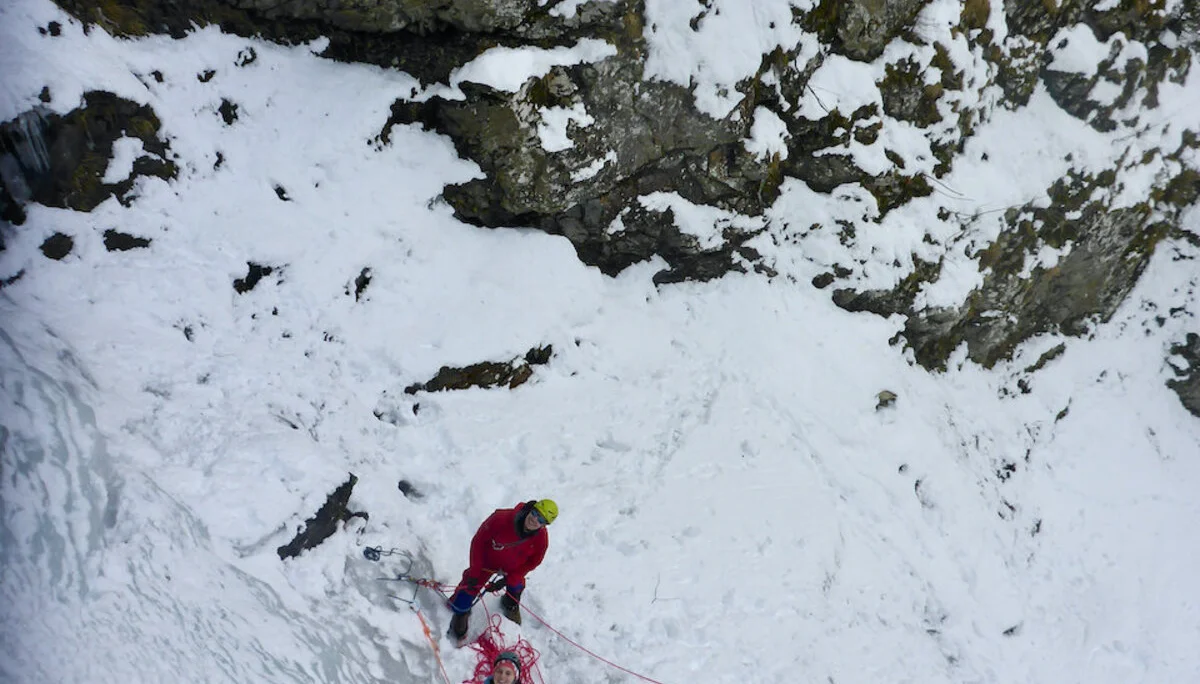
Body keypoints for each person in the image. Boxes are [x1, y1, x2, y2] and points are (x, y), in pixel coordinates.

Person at [448, 499, 558, 641]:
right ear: (531, 509)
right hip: (487, 562)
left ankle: (510, 603)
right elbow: (478, 541)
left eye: (541, 519)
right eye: (535, 513)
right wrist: (475, 570)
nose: (534, 519)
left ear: (545, 525)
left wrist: (509, 579)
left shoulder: (541, 539)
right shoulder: (501, 518)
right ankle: (461, 612)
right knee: (468, 588)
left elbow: (534, 562)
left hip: (511, 569)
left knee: (517, 584)